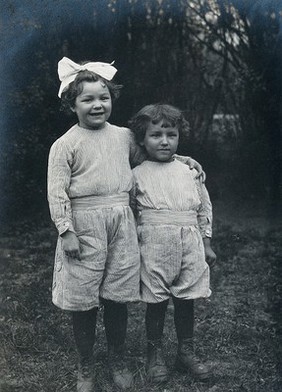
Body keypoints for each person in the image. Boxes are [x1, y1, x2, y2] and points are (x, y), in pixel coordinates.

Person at [47, 58, 204, 391]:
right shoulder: (64, 145)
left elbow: (154, 154)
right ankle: (86, 366)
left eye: (103, 97)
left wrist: (183, 159)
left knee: (117, 295)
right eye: (87, 99)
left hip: (122, 224)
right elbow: (56, 190)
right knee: (83, 299)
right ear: (71, 104)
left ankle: (118, 360)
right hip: (84, 227)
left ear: (111, 100)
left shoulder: (122, 137)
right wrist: (66, 230)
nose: (97, 105)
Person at [129, 103, 217, 384]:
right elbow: (130, 211)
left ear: (179, 136)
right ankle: (154, 355)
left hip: (189, 242)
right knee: (156, 300)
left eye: (171, 134)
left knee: (186, 298)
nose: (165, 141)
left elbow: (204, 207)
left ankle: (185, 351)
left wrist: (206, 241)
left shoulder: (189, 171)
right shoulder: (137, 173)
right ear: (142, 138)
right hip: (154, 245)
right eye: (156, 135)